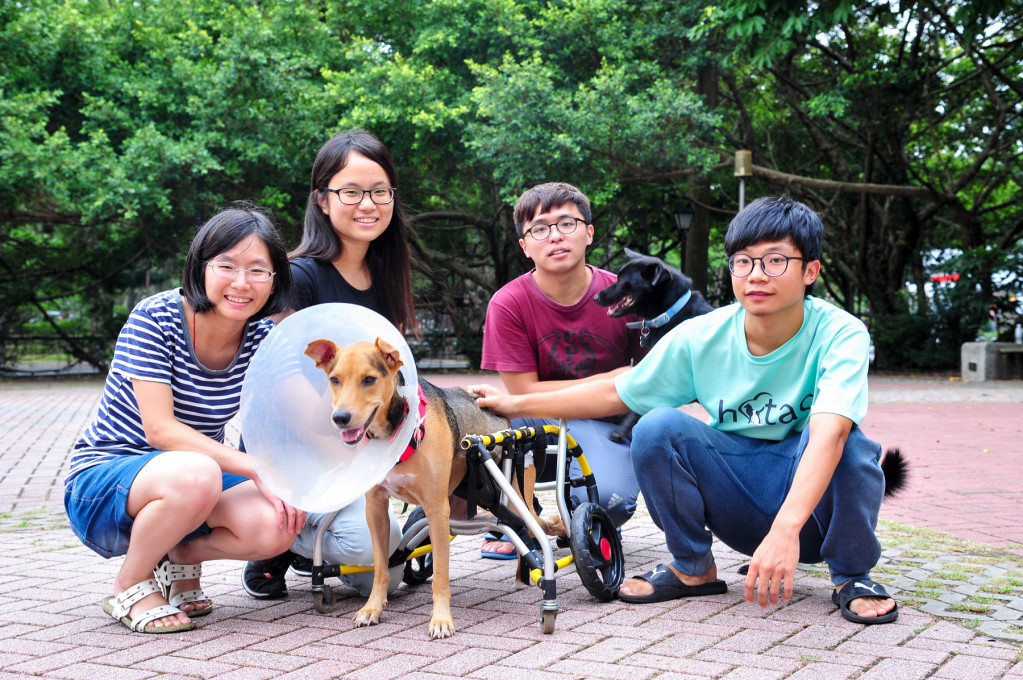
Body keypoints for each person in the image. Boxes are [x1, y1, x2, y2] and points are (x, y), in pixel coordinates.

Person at [470, 196, 899, 625]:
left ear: (810, 271)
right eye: (743, 262)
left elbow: (830, 434)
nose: (756, 276)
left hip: (813, 511)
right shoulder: (700, 335)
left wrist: (786, 530)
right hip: (741, 498)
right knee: (657, 426)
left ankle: (851, 575)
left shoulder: (841, 332)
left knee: (853, 442)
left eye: (774, 262)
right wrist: (515, 403)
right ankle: (692, 566)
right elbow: (619, 394)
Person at [64, 204, 302, 634]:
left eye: (257, 270)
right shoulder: (155, 317)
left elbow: (288, 419)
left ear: (275, 279)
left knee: (277, 524)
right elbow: (160, 430)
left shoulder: (264, 338)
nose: (241, 282)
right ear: (200, 267)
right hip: (105, 476)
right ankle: (130, 581)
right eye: (226, 265)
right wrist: (256, 468)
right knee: (199, 473)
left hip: (195, 475)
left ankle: (178, 557)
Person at [242, 128, 417, 600]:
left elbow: (395, 381)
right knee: (368, 550)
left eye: (380, 192)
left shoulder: (384, 275)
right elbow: (296, 407)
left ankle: (342, 528)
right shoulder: (297, 277)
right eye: (351, 192)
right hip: (303, 454)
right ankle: (281, 537)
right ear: (322, 200)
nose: (369, 204)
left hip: (358, 446)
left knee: (386, 574)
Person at [478, 182, 645, 559]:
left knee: (610, 502)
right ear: (525, 245)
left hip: (608, 426)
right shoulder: (508, 304)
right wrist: (609, 380)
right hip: (536, 421)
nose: (554, 236)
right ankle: (518, 516)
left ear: (589, 232)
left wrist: (621, 382)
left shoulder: (627, 297)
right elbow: (521, 396)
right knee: (482, 433)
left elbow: (647, 380)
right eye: (539, 228)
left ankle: (566, 521)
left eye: (566, 223)